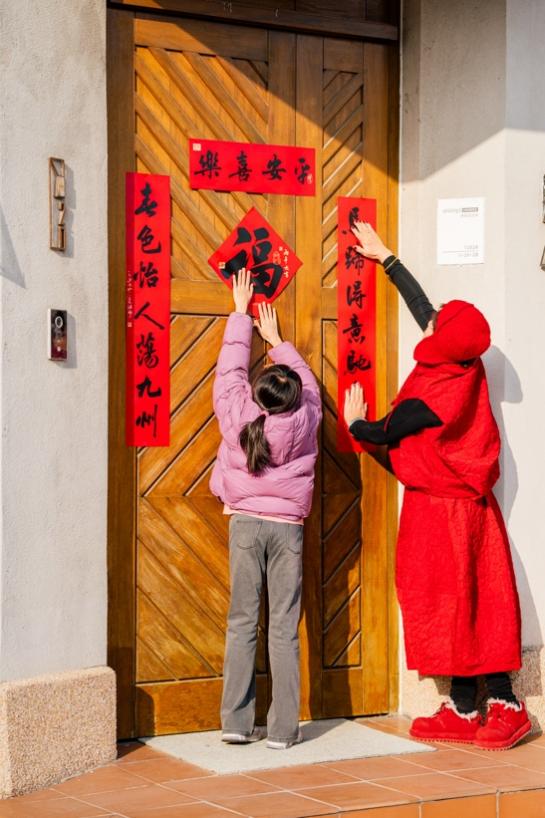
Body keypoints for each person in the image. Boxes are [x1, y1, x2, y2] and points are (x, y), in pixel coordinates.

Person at [343, 223, 531, 750]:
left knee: (466, 602)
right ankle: (464, 707)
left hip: (447, 512)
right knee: (463, 600)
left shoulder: (436, 389)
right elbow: (426, 310)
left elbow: (389, 430)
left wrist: (357, 424)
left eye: (439, 324)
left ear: (442, 342)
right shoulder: (461, 362)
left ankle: (507, 704)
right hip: (464, 507)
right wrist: (387, 257)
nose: (431, 322)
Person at [210, 269, 322, 750]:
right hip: (287, 530)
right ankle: (282, 731)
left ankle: (236, 724)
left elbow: (229, 373)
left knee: (241, 622)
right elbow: (311, 385)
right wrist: (278, 342)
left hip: (245, 526)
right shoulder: (307, 414)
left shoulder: (238, 412)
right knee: (283, 627)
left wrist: (240, 314)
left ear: (258, 393)